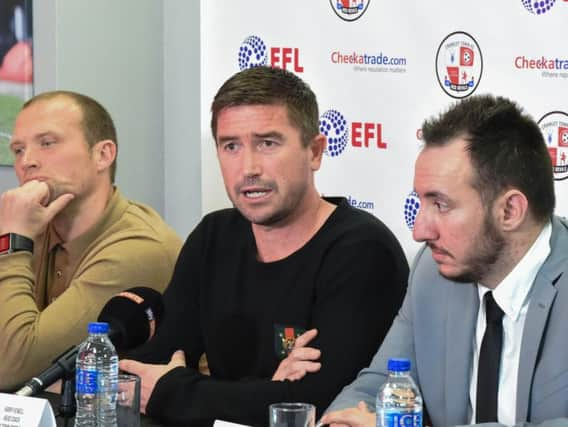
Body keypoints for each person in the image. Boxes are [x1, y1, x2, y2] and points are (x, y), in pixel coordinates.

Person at [120, 66, 409, 426]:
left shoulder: (362, 251)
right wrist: (269, 389)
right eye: (231, 146)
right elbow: (149, 369)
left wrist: (181, 391)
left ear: (315, 152)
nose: (248, 168)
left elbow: (316, 404)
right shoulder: (214, 235)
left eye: (267, 143)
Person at [322, 94, 568, 427]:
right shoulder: (433, 272)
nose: (419, 231)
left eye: (441, 205)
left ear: (509, 210)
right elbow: (377, 386)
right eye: (421, 202)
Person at [0, 91, 182, 390]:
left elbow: (12, 369)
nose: (27, 162)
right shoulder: (30, 227)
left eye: (47, 143)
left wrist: (12, 242)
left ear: (103, 155)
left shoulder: (138, 247)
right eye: (18, 150)